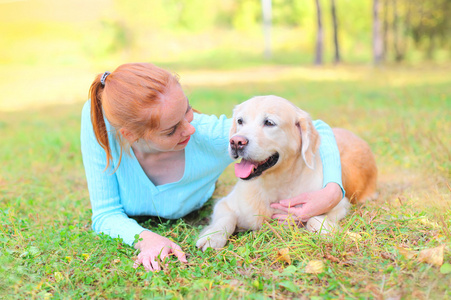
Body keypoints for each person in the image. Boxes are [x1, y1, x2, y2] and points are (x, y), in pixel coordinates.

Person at [81, 62, 344, 272]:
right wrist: (145, 238)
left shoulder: (216, 136)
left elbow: (317, 127)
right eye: (173, 129)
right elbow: (105, 214)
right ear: (130, 135)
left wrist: (332, 191)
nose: (190, 128)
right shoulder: (101, 126)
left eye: (187, 110)